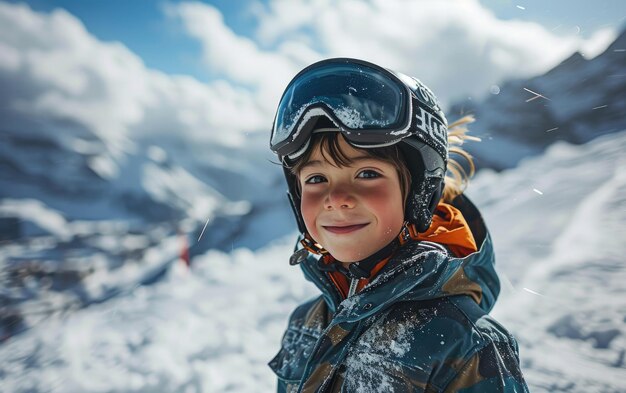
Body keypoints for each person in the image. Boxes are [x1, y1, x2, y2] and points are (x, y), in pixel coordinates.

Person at [268, 58, 529, 392]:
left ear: (418, 194)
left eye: (367, 174)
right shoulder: (305, 322)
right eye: (317, 178)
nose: (336, 198)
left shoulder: (467, 344)